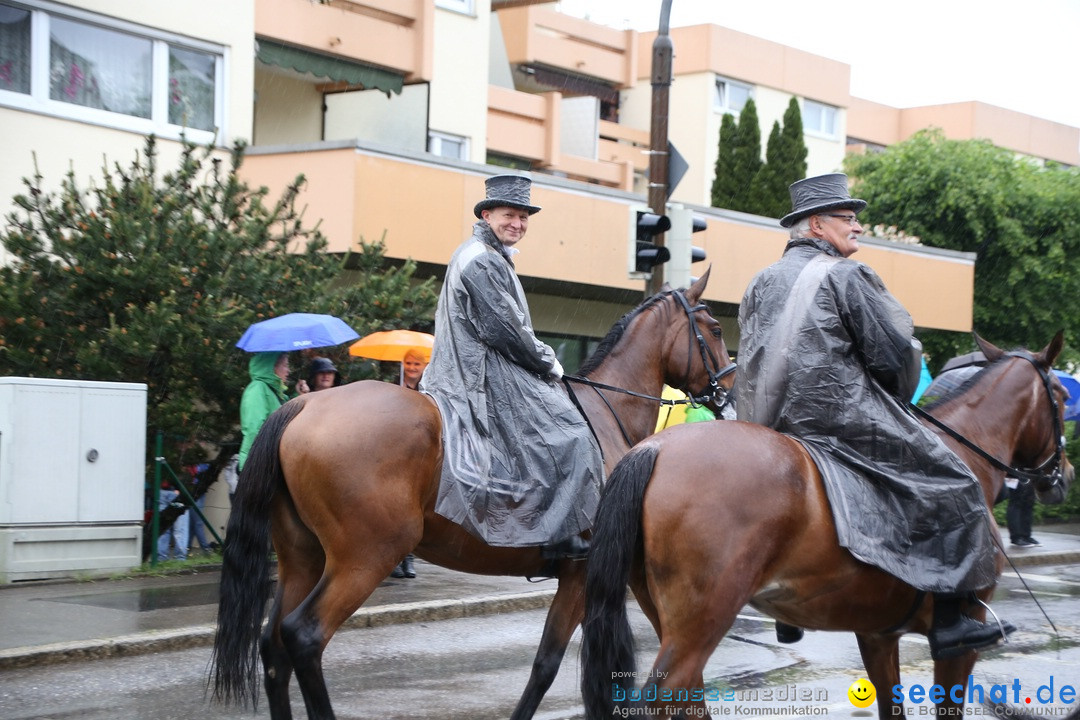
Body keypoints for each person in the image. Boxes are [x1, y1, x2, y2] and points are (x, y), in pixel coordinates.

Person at [735, 173, 1014, 660]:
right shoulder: (847, 276)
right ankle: (951, 620)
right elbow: (894, 354)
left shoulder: (760, 280)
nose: (858, 226)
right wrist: (898, 393)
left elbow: (752, 356)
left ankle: (786, 612)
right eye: (848, 218)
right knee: (955, 482)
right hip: (839, 417)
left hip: (767, 423)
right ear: (817, 226)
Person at [420, 174, 603, 560]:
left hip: (477, 362)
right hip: (481, 371)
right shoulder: (482, 260)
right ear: (487, 214)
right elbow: (507, 332)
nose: (517, 224)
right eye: (509, 215)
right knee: (571, 434)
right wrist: (549, 362)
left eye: (523, 218)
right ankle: (561, 536)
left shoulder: (487, 254)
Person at [392, 346, 429, 579]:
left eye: (416, 364)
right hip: (398, 454)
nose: (412, 368)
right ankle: (395, 559)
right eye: (408, 363)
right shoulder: (395, 390)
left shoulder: (429, 391)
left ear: (424, 367)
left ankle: (409, 557)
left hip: (420, 456)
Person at [238, 351, 290, 472]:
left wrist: (300, 395)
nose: (288, 371)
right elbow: (255, 429)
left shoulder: (272, 392)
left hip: (268, 464)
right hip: (257, 467)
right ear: (272, 367)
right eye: (285, 365)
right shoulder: (257, 388)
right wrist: (258, 467)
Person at [1006, 477, 1039, 547]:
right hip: (1012, 473)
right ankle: (1016, 537)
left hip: (1026, 472)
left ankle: (1026, 536)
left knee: (1029, 502)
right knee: (1015, 501)